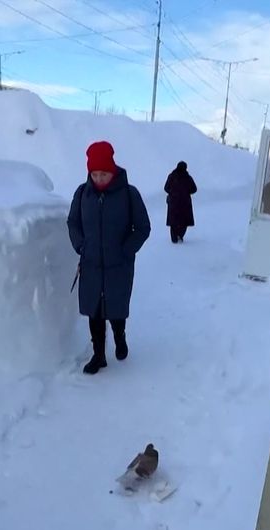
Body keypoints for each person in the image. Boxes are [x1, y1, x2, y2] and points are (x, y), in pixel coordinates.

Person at [67, 141, 152, 375]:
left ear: (112, 170)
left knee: (115, 309)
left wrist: (126, 250)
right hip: (91, 264)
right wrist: (80, 245)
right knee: (94, 312)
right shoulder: (82, 194)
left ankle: (120, 337)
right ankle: (99, 355)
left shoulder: (128, 194)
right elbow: (73, 222)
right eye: (94, 174)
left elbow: (142, 227)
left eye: (103, 173)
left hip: (118, 266)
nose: (99, 178)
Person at [164, 161, 198, 243]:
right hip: (184, 202)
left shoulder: (171, 176)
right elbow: (194, 189)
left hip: (173, 202)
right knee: (184, 221)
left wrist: (172, 192)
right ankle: (180, 235)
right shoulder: (187, 177)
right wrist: (186, 192)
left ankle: (174, 237)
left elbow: (166, 188)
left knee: (173, 221)